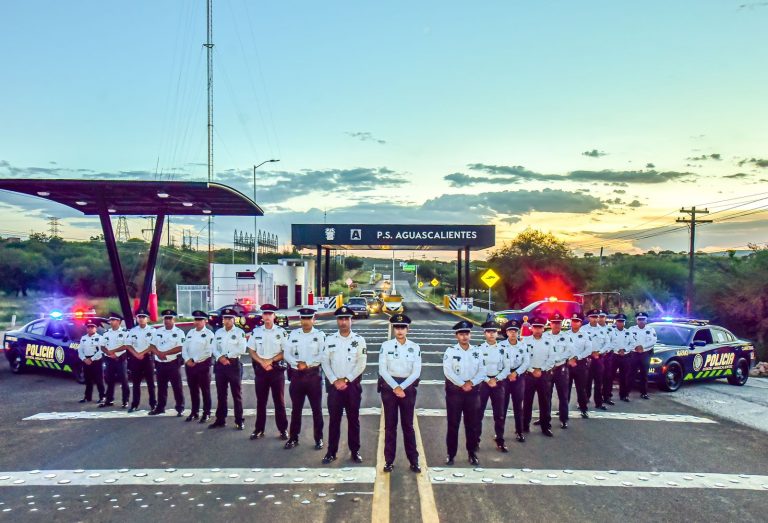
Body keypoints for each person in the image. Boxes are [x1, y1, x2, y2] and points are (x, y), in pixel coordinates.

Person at [321, 306, 368, 464]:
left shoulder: (359, 340)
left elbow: (361, 364)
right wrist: (334, 380)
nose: (343, 322)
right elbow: (325, 362)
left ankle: (355, 451)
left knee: (353, 420)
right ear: (337, 321)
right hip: (335, 387)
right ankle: (331, 452)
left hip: (352, 387)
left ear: (351, 320)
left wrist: (346, 380)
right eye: (340, 319)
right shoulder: (330, 340)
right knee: (334, 421)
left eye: (346, 319)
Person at [378, 313, 422, 473]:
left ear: (407, 329)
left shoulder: (415, 347)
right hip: (389, 389)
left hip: (407, 389)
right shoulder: (386, 346)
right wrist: (395, 387)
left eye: (403, 327)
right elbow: (382, 369)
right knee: (390, 427)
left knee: (408, 426)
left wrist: (401, 387)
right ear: (393, 328)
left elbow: (416, 372)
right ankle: (389, 461)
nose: (400, 330)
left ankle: (414, 461)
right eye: (397, 327)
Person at [283, 308, 326, 450]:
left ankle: (318, 438)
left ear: (313, 319)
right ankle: (293, 438)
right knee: (296, 409)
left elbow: (322, 355)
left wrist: (306, 364)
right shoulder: (293, 334)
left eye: (309, 318)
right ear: (300, 319)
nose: (306, 321)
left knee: (316, 409)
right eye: (303, 318)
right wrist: (297, 364)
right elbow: (287, 354)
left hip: (313, 376)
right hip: (297, 376)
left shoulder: (320, 335)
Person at [443, 320, 484, 466]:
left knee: (471, 424)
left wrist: (471, 383)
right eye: (461, 334)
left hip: (472, 391)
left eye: (466, 333)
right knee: (453, 424)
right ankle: (451, 454)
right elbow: (448, 371)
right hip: (455, 392)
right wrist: (462, 384)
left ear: (470, 335)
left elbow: (482, 371)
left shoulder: (477, 352)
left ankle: (472, 453)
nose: (464, 337)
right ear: (456, 336)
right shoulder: (450, 351)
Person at [247, 304, 289, 440]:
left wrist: (270, 361)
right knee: (261, 402)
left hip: (276, 371)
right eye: (265, 314)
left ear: (274, 316)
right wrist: (261, 362)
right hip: (261, 371)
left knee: (279, 402)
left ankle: (283, 429)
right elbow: (251, 351)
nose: (267, 316)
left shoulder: (281, 332)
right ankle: (259, 429)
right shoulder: (256, 332)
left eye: (270, 314)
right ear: (262, 316)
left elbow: (285, 351)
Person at [209, 308, 247, 430]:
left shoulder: (239, 332)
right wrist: (220, 357)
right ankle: (220, 419)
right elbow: (214, 347)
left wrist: (227, 357)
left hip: (233, 365)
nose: (227, 320)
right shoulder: (218, 332)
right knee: (221, 394)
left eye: (229, 318)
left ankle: (239, 420)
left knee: (236, 394)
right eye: (225, 318)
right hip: (220, 365)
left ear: (234, 319)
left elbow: (242, 349)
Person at [522, 317, 558, 437]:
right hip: (529, 375)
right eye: (535, 327)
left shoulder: (549, 341)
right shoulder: (525, 341)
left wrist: (541, 370)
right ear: (531, 328)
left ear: (543, 328)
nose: (537, 330)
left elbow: (552, 358)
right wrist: (532, 370)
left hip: (544, 375)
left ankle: (545, 426)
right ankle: (524, 425)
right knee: (527, 401)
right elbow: (523, 359)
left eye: (540, 327)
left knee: (545, 402)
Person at [477, 321, 509, 452]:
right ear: (484, 333)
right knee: (478, 414)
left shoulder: (503, 349)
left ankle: (500, 440)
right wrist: (487, 380)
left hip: (498, 383)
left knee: (499, 414)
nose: (491, 334)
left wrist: (496, 379)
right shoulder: (478, 349)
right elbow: (476, 368)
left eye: (494, 332)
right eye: (489, 331)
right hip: (483, 384)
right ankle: (475, 441)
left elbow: (506, 368)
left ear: (497, 333)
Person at [148, 309, 186, 416]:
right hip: (160, 363)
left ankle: (180, 408)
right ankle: (160, 407)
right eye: (165, 318)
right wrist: (159, 353)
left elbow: (180, 347)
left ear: (174, 319)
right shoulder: (158, 331)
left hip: (173, 363)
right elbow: (152, 345)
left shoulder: (179, 332)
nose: (167, 320)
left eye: (169, 318)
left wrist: (165, 353)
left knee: (177, 387)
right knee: (161, 387)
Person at [545, 313, 577, 429]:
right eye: (554, 323)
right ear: (550, 324)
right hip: (548, 370)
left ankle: (564, 419)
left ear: (561, 324)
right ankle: (545, 418)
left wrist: (556, 360)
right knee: (546, 396)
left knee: (563, 396)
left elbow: (570, 352)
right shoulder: (545, 336)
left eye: (558, 323)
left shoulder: (567, 337)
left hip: (561, 369)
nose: (556, 325)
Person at [499, 319, 530, 442]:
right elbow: (499, 362)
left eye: (515, 331)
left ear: (518, 332)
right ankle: (500, 433)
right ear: (506, 332)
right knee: (502, 406)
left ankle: (519, 431)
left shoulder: (523, 345)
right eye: (510, 331)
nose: (513, 333)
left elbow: (526, 362)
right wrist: (507, 373)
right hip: (505, 377)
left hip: (518, 376)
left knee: (518, 406)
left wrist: (516, 373)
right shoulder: (501, 346)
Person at [182, 310, 214, 422]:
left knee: (205, 390)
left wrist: (194, 360)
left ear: (205, 321)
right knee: (193, 390)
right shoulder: (190, 333)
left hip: (202, 365)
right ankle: (194, 412)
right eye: (196, 319)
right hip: (190, 366)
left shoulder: (209, 334)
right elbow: (184, 348)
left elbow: (208, 351)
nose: (198, 322)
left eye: (200, 320)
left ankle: (206, 413)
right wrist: (187, 360)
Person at [126, 309, 156, 413]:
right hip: (136, 359)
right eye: (140, 317)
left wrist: (142, 353)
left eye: (144, 317)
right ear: (137, 318)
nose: (141, 319)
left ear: (147, 318)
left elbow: (154, 345)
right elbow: (128, 344)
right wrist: (136, 354)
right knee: (136, 383)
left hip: (147, 358)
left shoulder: (153, 330)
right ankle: (134, 404)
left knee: (150, 383)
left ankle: (153, 404)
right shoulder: (133, 331)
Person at [99, 312, 130, 408]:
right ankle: (109, 400)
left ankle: (125, 401)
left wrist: (114, 352)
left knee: (124, 381)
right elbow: (102, 346)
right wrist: (108, 353)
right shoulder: (106, 333)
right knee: (109, 380)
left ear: (118, 321)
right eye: (110, 320)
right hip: (109, 360)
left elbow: (127, 345)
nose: (111, 322)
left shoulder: (125, 332)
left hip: (120, 360)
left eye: (113, 320)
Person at [581, 309, 608, 411]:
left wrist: (600, 352)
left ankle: (599, 403)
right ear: (588, 318)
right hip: (587, 358)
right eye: (592, 317)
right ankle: (584, 401)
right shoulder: (583, 329)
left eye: (596, 317)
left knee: (599, 381)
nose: (595, 319)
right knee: (586, 382)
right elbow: (580, 344)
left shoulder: (603, 330)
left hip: (598, 358)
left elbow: (607, 343)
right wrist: (589, 353)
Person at [566, 314, 592, 418]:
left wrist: (577, 357)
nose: (575, 323)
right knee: (565, 388)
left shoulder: (585, 334)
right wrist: (569, 359)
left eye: (577, 321)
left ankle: (583, 409)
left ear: (580, 323)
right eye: (573, 320)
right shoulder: (565, 334)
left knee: (581, 388)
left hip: (580, 364)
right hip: (567, 364)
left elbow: (588, 349)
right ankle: (564, 408)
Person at [628, 312, 657, 400]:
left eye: (643, 319)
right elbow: (628, 340)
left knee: (644, 375)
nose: (641, 321)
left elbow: (653, 341)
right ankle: (626, 393)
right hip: (634, 353)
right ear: (636, 320)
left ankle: (644, 393)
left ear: (646, 320)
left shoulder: (651, 329)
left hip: (645, 354)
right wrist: (636, 347)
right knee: (631, 374)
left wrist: (642, 347)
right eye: (639, 319)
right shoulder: (631, 329)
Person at [77, 319, 105, 404]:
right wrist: (84, 359)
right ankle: (87, 397)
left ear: (96, 328)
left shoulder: (100, 338)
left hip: (96, 360)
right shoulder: (83, 338)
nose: (90, 329)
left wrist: (91, 359)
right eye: (89, 327)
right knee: (88, 380)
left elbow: (101, 351)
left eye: (92, 327)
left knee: (99, 380)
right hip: (86, 360)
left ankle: (102, 397)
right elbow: (80, 350)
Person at [598, 311, 617, 406]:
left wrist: (606, 350)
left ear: (605, 318)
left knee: (608, 378)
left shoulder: (611, 329)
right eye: (599, 317)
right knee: (594, 378)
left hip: (608, 356)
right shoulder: (592, 329)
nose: (601, 318)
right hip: (596, 357)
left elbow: (613, 342)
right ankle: (587, 397)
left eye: (602, 317)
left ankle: (607, 397)